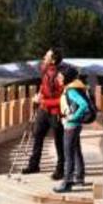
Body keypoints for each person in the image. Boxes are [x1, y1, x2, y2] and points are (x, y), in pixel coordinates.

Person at [26, 49, 66, 179]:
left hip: (56, 112)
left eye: (47, 55)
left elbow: (63, 98)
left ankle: (60, 169)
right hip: (44, 110)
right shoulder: (45, 70)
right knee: (37, 135)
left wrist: (43, 100)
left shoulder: (60, 76)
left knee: (59, 141)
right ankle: (34, 165)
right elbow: (44, 87)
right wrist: (39, 96)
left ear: (53, 60)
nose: (44, 56)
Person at [54, 65, 92, 193]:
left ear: (67, 78)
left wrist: (72, 117)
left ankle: (67, 182)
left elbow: (84, 105)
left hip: (71, 126)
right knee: (76, 151)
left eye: (60, 76)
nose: (58, 78)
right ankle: (79, 178)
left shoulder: (71, 91)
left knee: (68, 154)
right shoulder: (73, 88)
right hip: (75, 125)